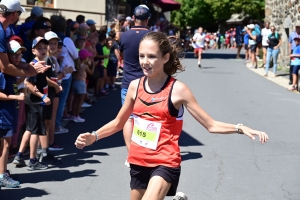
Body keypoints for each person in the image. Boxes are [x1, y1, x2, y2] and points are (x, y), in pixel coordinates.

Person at [75, 31, 269, 200]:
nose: (145, 62)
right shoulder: (135, 87)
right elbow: (119, 122)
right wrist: (94, 136)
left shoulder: (178, 90)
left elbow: (210, 125)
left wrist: (239, 127)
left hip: (165, 161)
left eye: (151, 56)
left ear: (165, 58)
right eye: (141, 56)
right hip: (138, 159)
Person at [119, 5, 151, 166]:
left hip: (128, 83)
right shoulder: (151, 36)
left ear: (133, 17)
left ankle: (131, 155)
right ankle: (145, 153)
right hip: (148, 83)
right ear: (148, 19)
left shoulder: (124, 36)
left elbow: (121, 54)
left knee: (128, 119)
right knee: (147, 118)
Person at [0, 39, 26, 188]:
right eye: (14, 55)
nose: (17, 58)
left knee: (5, 146)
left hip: (9, 112)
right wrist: (16, 96)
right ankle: (2, 175)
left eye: (19, 55)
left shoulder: (11, 72)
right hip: (3, 113)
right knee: (4, 146)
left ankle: (2, 172)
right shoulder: (4, 72)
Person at [51, 15, 77, 134]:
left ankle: (53, 126)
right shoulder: (66, 40)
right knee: (61, 101)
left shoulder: (49, 38)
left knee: (54, 102)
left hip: (52, 73)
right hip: (65, 73)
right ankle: (56, 126)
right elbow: (76, 55)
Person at [71, 49, 96, 122]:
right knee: (80, 101)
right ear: (85, 58)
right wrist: (93, 65)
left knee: (75, 100)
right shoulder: (84, 66)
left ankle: (73, 115)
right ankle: (77, 116)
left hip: (75, 82)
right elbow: (91, 73)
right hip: (81, 83)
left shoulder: (76, 65)